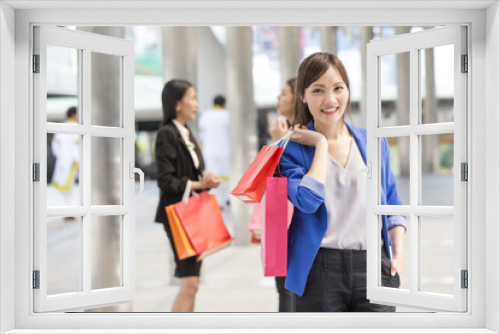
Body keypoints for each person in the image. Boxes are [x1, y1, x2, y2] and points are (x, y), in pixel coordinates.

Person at [279, 52, 407, 312]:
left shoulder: (373, 141)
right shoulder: (291, 149)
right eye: (317, 90)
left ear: (348, 90)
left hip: (374, 264)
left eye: (338, 88)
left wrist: (398, 253)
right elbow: (307, 200)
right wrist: (320, 143)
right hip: (319, 269)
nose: (330, 100)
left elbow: (391, 201)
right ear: (302, 96)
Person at [154, 79, 221, 312]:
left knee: (193, 284)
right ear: (176, 104)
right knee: (189, 283)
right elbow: (166, 180)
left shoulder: (186, 133)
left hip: (192, 214)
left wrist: (205, 182)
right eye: (191, 98)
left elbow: (192, 176)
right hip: (178, 216)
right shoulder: (167, 133)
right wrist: (199, 183)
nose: (196, 104)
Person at [268, 78, 297, 312]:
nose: (279, 98)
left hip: (295, 225)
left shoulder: (304, 134)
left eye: (284, 93)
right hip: (280, 224)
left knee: (291, 295)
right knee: (284, 293)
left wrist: (280, 142)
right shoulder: (285, 132)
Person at [197, 95, 231, 210]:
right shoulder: (227, 114)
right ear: (224, 104)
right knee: (226, 176)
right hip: (224, 150)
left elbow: (201, 134)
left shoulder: (206, 115)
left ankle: (217, 201)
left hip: (209, 151)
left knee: (213, 176)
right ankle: (227, 198)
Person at [50, 106, 80, 213]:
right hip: (75, 161)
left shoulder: (61, 128)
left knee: (67, 188)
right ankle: (70, 211)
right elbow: (79, 145)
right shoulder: (78, 127)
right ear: (74, 115)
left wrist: (61, 156)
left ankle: (68, 210)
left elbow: (55, 145)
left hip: (64, 161)